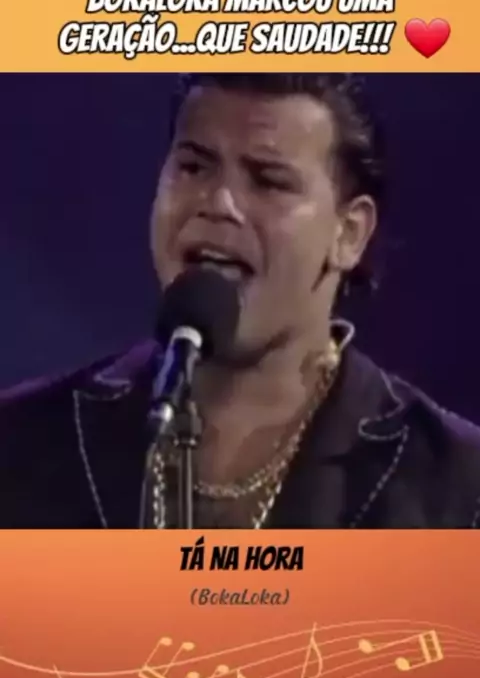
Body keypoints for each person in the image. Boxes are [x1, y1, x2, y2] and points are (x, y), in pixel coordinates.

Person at [2, 72, 480, 530]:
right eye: (194, 167)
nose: (217, 203)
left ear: (349, 234)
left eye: (268, 181)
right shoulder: (22, 440)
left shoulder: (454, 486)